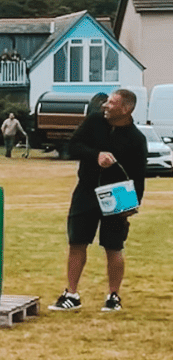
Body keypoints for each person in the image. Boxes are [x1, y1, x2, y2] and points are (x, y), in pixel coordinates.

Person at [49, 88, 148, 312]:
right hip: (86, 191)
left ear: (126, 109)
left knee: (113, 246)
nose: (105, 106)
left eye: (111, 103)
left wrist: (133, 205)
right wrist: (96, 155)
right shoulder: (94, 122)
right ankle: (71, 295)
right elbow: (72, 147)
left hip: (118, 195)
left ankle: (113, 296)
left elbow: (138, 175)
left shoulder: (136, 139)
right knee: (77, 242)